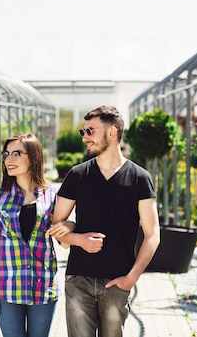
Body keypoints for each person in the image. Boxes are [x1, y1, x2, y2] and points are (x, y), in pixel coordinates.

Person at [48, 105, 161, 337]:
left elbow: (153, 234)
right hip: (78, 279)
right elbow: (56, 226)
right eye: (84, 132)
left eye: (91, 131)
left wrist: (131, 278)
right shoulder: (77, 175)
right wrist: (78, 239)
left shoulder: (140, 178)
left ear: (112, 132)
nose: (85, 138)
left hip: (117, 281)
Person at [0, 133, 72, 337]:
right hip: (7, 288)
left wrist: (69, 227)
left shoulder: (53, 196)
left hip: (43, 287)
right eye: (6, 154)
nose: (9, 160)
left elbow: (64, 243)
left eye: (16, 154)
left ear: (33, 157)